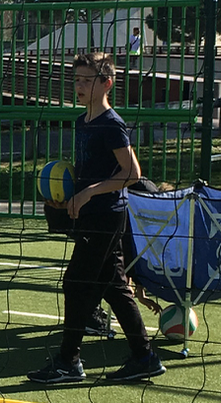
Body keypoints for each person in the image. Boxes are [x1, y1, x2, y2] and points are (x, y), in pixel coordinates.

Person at [29, 52, 165, 385]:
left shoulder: (111, 124)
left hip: (107, 216)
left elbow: (132, 174)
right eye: (75, 79)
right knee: (115, 286)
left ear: (106, 83)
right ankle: (144, 357)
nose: (78, 85)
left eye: (86, 80)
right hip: (91, 214)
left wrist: (90, 193)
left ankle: (68, 361)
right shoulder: (82, 121)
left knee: (76, 283)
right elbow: (90, 171)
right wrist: (68, 197)